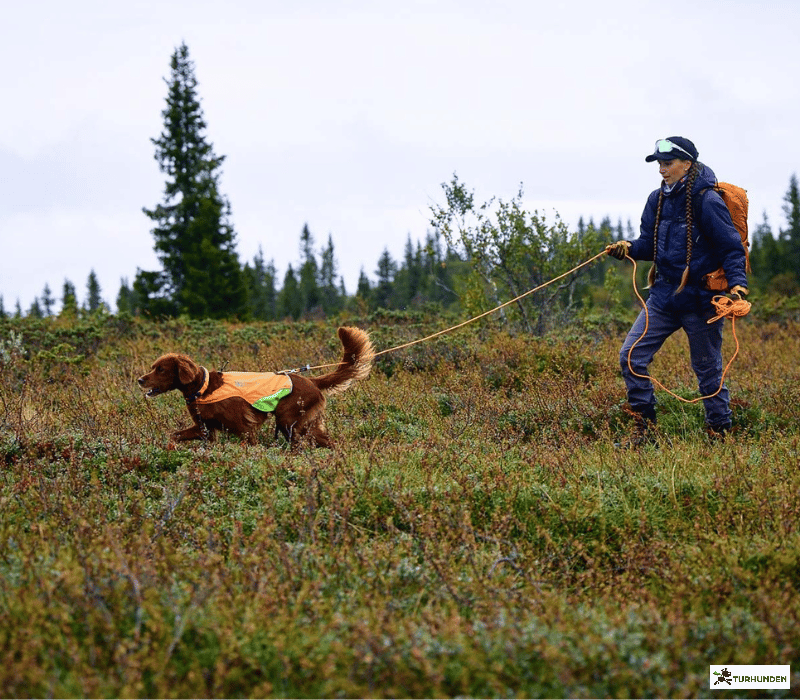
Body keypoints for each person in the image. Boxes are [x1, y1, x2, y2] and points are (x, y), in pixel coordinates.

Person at [606, 136, 749, 445]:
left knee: (708, 371)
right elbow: (649, 244)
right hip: (663, 298)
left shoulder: (707, 200)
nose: (662, 169)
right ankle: (646, 433)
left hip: (702, 301)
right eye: (659, 163)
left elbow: (731, 248)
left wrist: (738, 285)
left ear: (687, 164)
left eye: (667, 163)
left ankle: (719, 434)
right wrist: (628, 248)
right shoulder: (655, 200)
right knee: (630, 356)